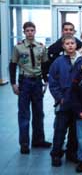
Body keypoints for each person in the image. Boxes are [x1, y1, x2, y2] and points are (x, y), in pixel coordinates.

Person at [9, 21, 51, 154]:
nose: (30, 33)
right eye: (27, 30)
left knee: (39, 112)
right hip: (24, 82)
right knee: (24, 113)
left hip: (38, 82)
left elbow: (44, 65)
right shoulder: (18, 48)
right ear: (24, 32)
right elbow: (13, 65)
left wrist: (46, 81)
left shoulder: (41, 47)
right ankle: (24, 143)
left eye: (32, 30)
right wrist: (13, 83)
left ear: (35, 31)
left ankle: (38, 140)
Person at [49, 36, 82, 167]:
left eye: (72, 43)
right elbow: (52, 82)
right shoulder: (58, 62)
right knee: (60, 130)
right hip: (63, 102)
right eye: (67, 44)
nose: (70, 45)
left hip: (77, 104)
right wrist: (59, 98)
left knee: (75, 131)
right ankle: (56, 154)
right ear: (63, 46)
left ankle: (71, 153)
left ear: (76, 45)